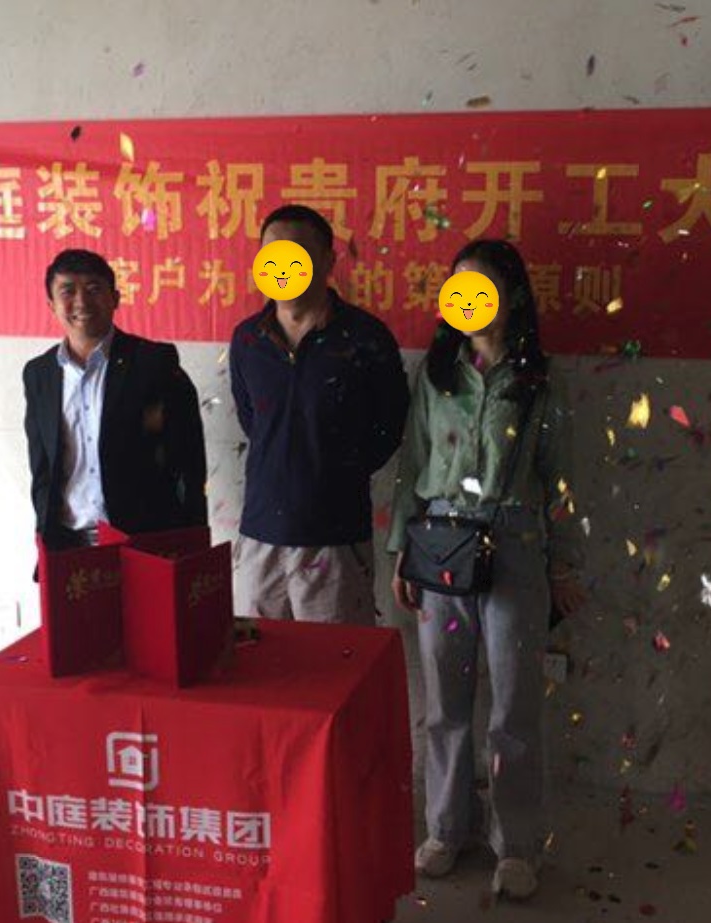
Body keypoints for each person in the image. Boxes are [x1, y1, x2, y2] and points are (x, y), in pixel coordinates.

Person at [387, 239, 587, 900]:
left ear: (513, 296)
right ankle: (447, 828)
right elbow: (414, 464)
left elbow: (562, 479)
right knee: (444, 703)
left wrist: (565, 565)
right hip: (440, 543)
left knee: (513, 708)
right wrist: (401, 550)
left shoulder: (538, 380)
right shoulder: (437, 373)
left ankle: (517, 843)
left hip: (514, 544)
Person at [229, 205, 410, 624]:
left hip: (336, 538)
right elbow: (253, 422)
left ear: (328, 261)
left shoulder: (366, 339)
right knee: (258, 658)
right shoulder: (247, 340)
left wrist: (334, 472)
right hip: (259, 535)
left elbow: (389, 427)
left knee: (334, 660)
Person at [24, 249, 207, 550]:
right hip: (68, 544)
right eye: (68, 291)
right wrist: (44, 534)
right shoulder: (38, 374)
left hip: (143, 542)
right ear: (51, 305)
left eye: (93, 289)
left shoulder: (154, 363)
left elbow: (189, 459)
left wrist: (192, 540)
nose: (81, 302)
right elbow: (41, 467)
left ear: (116, 298)